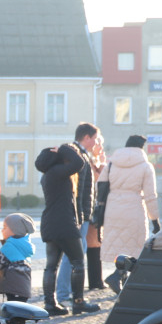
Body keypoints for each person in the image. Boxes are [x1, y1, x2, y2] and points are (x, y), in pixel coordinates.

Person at [36, 133, 100, 315]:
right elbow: (78, 163)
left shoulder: (48, 174)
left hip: (50, 223)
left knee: (51, 266)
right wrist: (65, 148)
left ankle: (50, 304)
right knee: (78, 262)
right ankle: (78, 302)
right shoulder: (59, 172)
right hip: (64, 223)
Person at [102, 135, 159, 293]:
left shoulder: (112, 163)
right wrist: (155, 221)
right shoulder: (145, 166)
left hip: (112, 209)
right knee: (134, 247)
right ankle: (116, 275)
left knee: (119, 246)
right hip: (134, 209)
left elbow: (101, 184)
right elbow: (150, 196)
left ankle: (123, 280)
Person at [55, 123, 106, 300]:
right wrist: (79, 213)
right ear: (86, 137)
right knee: (73, 254)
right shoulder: (76, 155)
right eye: (95, 139)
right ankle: (63, 293)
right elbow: (75, 189)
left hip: (82, 213)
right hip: (77, 214)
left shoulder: (83, 155)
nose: (96, 142)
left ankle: (65, 292)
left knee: (76, 253)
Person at [0, 212, 35, 302]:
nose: (2, 230)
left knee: (14, 307)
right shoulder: (25, 244)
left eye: (5, 227)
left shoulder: (10, 246)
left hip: (12, 287)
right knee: (21, 307)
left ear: (15, 230)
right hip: (24, 288)